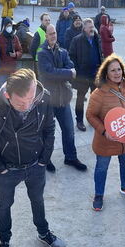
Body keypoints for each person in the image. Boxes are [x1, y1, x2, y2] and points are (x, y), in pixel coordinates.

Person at [0, 68, 67, 247]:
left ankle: (44, 233)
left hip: (36, 164)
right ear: (8, 95)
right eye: (20, 103)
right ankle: (4, 242)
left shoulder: (43, 98)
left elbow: (50, 129)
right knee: (4, 205)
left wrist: (45, 159)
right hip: (8, 169)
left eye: (31, 99)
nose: (27, 106)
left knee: (37, 200)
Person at [85, 56, 125, 211]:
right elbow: (90, 115)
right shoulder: (99, 94)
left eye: (119, 69)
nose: (117, 73)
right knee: (102, 168)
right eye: (113, 70)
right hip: (106, 141)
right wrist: (104, 131)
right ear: (106, 73)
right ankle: (99, 195)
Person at [36, 25, 87, 173]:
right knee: (48, 132)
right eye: (50, 34)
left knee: (69, 130)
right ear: (46, 36)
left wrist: (64, 72)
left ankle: (70, 157)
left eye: (55, 33)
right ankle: (45, 159)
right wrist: (67, 73)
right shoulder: (42, 53)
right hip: (49, 100)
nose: (53, 36)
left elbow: (71, 65)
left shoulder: (61, 50)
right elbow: (49, 73)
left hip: (63, 98)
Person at [69, 18, 102, 132]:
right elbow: (72, 56)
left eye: (93, 26)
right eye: (90, 27)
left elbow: (100, 54)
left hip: (95, 74)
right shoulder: (77, 40)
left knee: (95, 98)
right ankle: (79, 120)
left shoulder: (97, 38)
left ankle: (93, 118)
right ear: (84, 28)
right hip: (83, 75)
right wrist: (77, 71)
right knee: (80, 98)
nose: (92, 29)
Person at [0, 19, 23, 85]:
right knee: (2, 86)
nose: (9, 27)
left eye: (10, 26)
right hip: (3, 68)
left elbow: (20, 50)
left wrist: (16, 54)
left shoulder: (15, 37)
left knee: (11, 87)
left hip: (12, 68)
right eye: (8, 26)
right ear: (4, 26)